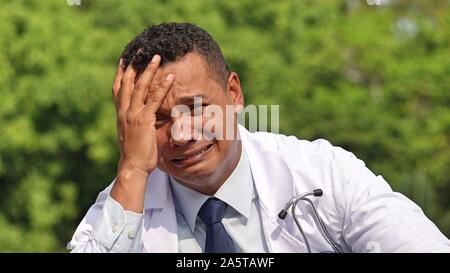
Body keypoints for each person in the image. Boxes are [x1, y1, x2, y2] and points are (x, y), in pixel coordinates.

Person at [68, 22, 450, 253]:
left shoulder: (322, 174)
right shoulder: (122, 207)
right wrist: (133, 169)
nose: (182, 133)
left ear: (234, 94)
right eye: (157, 118)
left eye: (197, 107)